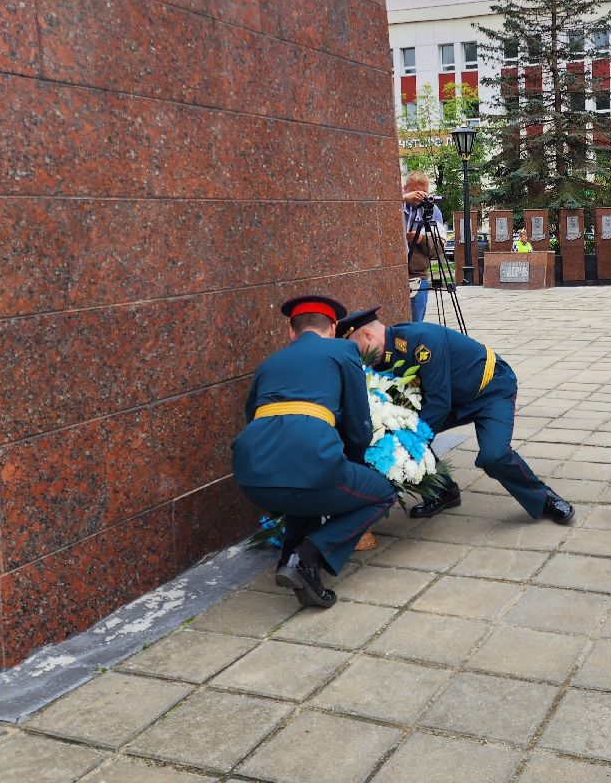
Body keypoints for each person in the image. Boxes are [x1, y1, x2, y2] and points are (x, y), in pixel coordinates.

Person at [232, 296, 396, 609]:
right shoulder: (343, 350)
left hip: (252, 476)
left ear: (291, 331)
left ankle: (289, 558)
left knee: (302, 480)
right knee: (383, 494)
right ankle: (307, 557)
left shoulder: (269, 364)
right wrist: (357, 465)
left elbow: (252, 415)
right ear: (334, 328)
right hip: (315, 463)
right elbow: (359, 425)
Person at [338, 308, 574, 524]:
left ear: (367, 335)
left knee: (494, 456)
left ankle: (544, 498)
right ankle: (444, 492)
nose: (357, 357)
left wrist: (412, 444)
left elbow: (439, 403)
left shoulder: (421, 340)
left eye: (354, 348)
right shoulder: (383, 358)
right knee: (397, 429)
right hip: (453, 400)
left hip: (489, 389)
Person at [403, 170, 444, 323]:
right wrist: (401, 200)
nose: (420, 196)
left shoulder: (432, 211)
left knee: (415, 324)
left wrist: (421, 239)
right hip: (391, 274)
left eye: (424, 192)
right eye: (415, 191)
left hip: (417, 276)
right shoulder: (394, 205)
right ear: (405, 188)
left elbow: (439, 248)